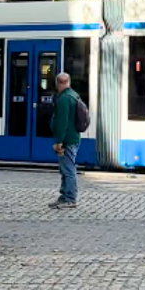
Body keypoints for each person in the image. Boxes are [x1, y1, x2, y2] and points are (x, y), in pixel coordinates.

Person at [48, 73, 83, 209]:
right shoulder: (74, 95)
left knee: (68, 169)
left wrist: (58, 141)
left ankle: (69, 198)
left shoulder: (63, 99)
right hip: (73, 138)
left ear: (58, 83)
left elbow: (62, 122)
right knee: (66, 168)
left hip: (67, 140)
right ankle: (64, 196)